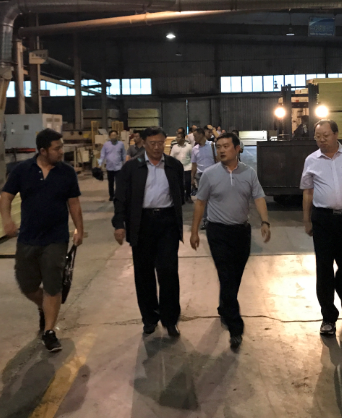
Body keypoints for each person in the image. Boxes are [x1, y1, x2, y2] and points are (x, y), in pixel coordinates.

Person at [0, 128, 85, 352]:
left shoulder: (66, 172)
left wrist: (79, 229)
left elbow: (74, 203)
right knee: (26, 284)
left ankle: (49, 331)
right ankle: (44, 307)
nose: (61, 151)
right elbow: (6, 197)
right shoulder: (22, 170)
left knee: (53, 284)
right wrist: (7, 220)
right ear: (43, 150)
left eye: (61, 147)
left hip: (56, 238)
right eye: (57, 148)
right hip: (28, 237)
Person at [190, 133, 270, 349]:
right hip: (218, 232)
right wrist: (194, 231)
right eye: (218, 147)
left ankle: (225, 306)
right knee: (226, 275)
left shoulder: (249, 173)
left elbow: (258, 197)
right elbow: (200, 203)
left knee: (234, 277)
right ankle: (236, 327)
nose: (221, 150)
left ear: (237, 148)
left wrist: (265, 221)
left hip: (241, 233)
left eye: (226, 146)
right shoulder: (209, 174)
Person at [112, 127, 185, 337]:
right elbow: (120, 198)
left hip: (167, 223)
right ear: (143, 143)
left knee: (168, 272)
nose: (157, 147)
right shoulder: (131, 168)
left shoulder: (174, 166)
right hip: (141, 223)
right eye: (152, 143)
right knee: (144, 274)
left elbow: (180, 194)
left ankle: (170, 319)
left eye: (161, 143)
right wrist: (119, 224)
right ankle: (150, 318)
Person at [300, 119, 342, 337]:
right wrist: (306, 220)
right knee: (324, 268)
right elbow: (307, 192)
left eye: (326, 136)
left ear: (336, 134)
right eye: (318, 137)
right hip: (323, 219)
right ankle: (328, 317)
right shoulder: (311, 160)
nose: (321, 140)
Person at [191, 127, 217, 229]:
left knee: (214, 198)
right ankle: (206, 220)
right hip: (200, 176)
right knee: (203, 200)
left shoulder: (212, 146)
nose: (194, 138)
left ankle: (215, 218)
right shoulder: (194, 149)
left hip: (213, 175)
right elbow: (194, 164)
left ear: (201, 135)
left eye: (195, 136)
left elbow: (218, 160)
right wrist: (192, 178)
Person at [100, 130, 126, 201]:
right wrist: (100, 164)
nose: (113, 136)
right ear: (109, 136)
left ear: (117, 136)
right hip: (109, 167)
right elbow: (102, 155)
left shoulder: (121, 144)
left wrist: (125, 164)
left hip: (119, 167)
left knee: (119, 183)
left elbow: (124, 154)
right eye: (112, 135)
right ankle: (111, 195)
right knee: (110, 182)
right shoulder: (106, 145)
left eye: (115, 135)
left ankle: (118, 195)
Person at [170, 131, 193, 202]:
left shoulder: (189, 146)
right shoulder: (174, 147)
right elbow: (172, 157)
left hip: (187, 167)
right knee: (180, 183)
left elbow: (192, 157)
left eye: (179, 137)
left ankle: (188, 196)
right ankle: (181, 197)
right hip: (178, 168)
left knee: (188, 182)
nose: (177, 139)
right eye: (177, 137)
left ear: (183, 138)